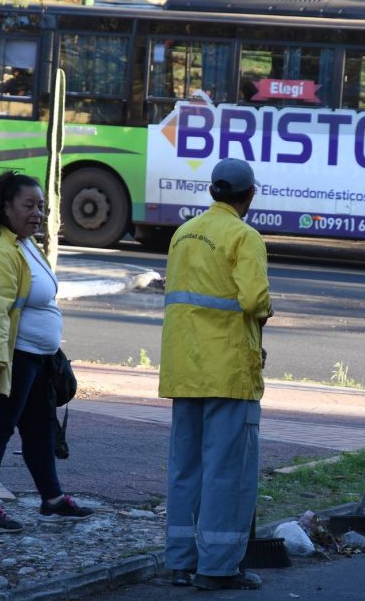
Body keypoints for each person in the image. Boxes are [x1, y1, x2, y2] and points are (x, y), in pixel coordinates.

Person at [0, 171, 94, 533]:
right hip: (12, 358)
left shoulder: (23, 244)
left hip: (37, 358)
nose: (37, 213)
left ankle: (52, 501)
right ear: (5, 207)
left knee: (40, 431)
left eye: (41, 206)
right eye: (28, 205)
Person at [159, 158, 273, 591]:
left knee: (184, 469)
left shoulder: (183, 233)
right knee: (227, 471)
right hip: (228, 372)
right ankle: (218, 567)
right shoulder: (244, 236)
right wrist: (266, 311)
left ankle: (180, 561)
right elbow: (254, 300)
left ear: (212, 191)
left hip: (184, 368)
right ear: (250, 195)